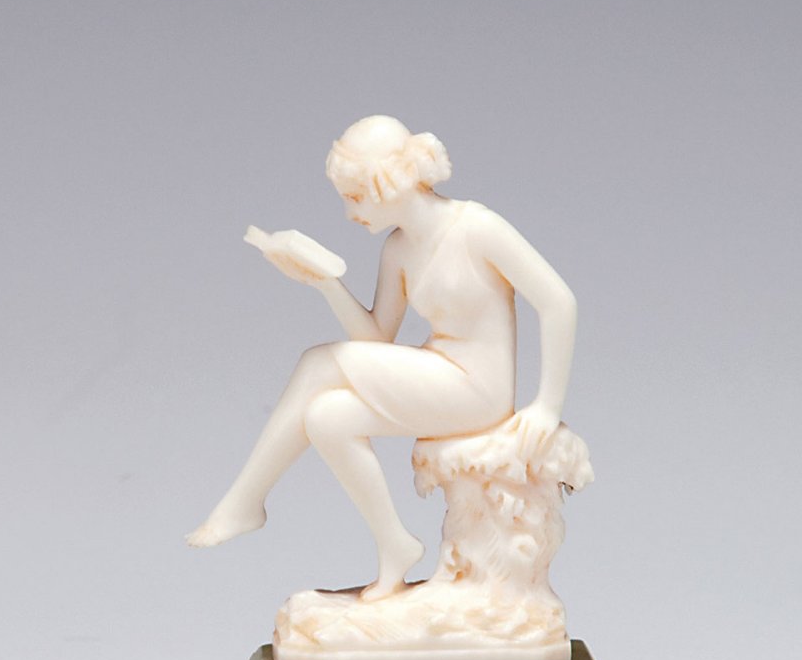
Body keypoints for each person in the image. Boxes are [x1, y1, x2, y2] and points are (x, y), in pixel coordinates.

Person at [187, 114, 578, 600]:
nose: (350, 211)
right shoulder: (398, 249)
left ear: (387, 183)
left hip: (479, 390)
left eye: (355, 196)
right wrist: (326, 285)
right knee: (327, 417)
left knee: (318, 362)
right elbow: (376, 340)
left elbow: (559, 301)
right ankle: (395, 544)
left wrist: (547, 406)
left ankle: (245, 501)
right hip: (438, 373)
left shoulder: (477, 227)